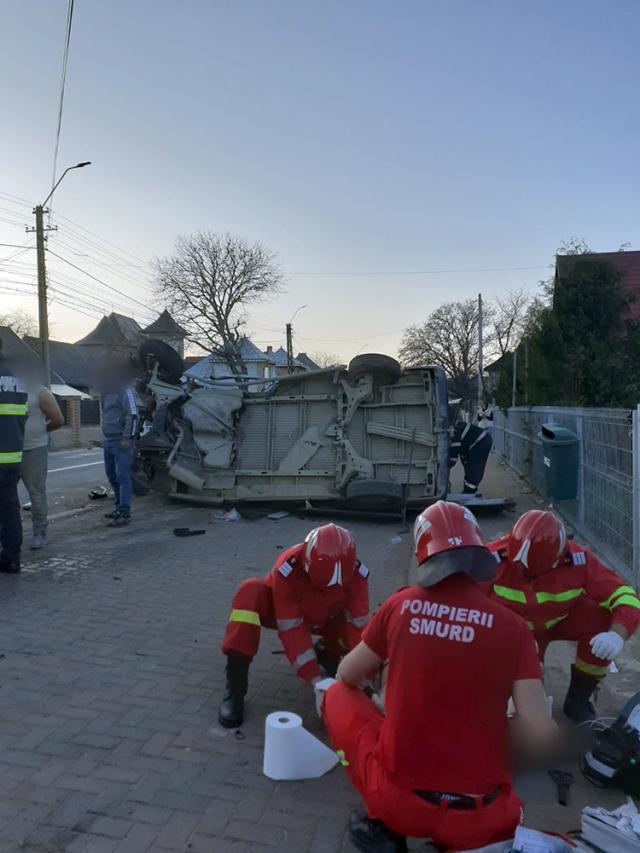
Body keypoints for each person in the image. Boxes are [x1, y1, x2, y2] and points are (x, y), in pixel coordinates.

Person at [319, 501, 557, 852]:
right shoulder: (515, 629)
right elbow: (539, 733)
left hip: (401, 805)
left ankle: (385, 829)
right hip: (483, 819)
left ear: (423, 554)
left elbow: (346, 673)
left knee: (336, 693)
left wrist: (385, 701)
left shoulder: (401, 606)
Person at [487, 509, 640, 723]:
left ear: (558, 559)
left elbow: (624, 595)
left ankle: (579, 699)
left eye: (534, 573)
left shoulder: (578, 560)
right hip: (518, 632)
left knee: (601, 620)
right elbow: (463, 602)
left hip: (561, 620)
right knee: (526, 710)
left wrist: (617, 635)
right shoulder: (490, 559)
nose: (524, 575)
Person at [219, 523, 370, 728]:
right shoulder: (287, 570)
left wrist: (364, 678)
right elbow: (292, 629)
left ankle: (327, 652)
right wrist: (315, 680)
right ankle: (235, 689)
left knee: (376, 630)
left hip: (328, 618)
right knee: (250, 593)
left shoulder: (357, 575)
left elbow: (359, 629)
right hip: (284, 613)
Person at [19, 364, 64, 550]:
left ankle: (39, 532)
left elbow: (58, 419)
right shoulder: (6, 388)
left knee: (36, 493)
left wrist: (40, 432)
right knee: (6, 495)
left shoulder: (40, 392)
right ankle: (10, 532)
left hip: (33, 449)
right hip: (7, 451)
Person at [0, 340, 28, 574]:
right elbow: (22, 416)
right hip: (12, 456)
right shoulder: (17, 377)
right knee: (9, 509)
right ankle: (12, 559)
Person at [100, 358, 138, 528]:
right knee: (112, 475)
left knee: (123, 477)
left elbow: (133, 415)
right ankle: (118, 506)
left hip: (121, 441)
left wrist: (127, 437)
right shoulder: (107, 391)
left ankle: (124, 512)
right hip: (108, 440)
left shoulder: (126, 390)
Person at [449, 418, 493, 494]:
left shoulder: (453, 432)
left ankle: (469, 493)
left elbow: (453, 458)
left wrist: (444, 469)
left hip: (481, 442)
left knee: (474, 470)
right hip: (470, 445)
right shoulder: (452, 428)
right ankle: (468, 492)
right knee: (468, 468)